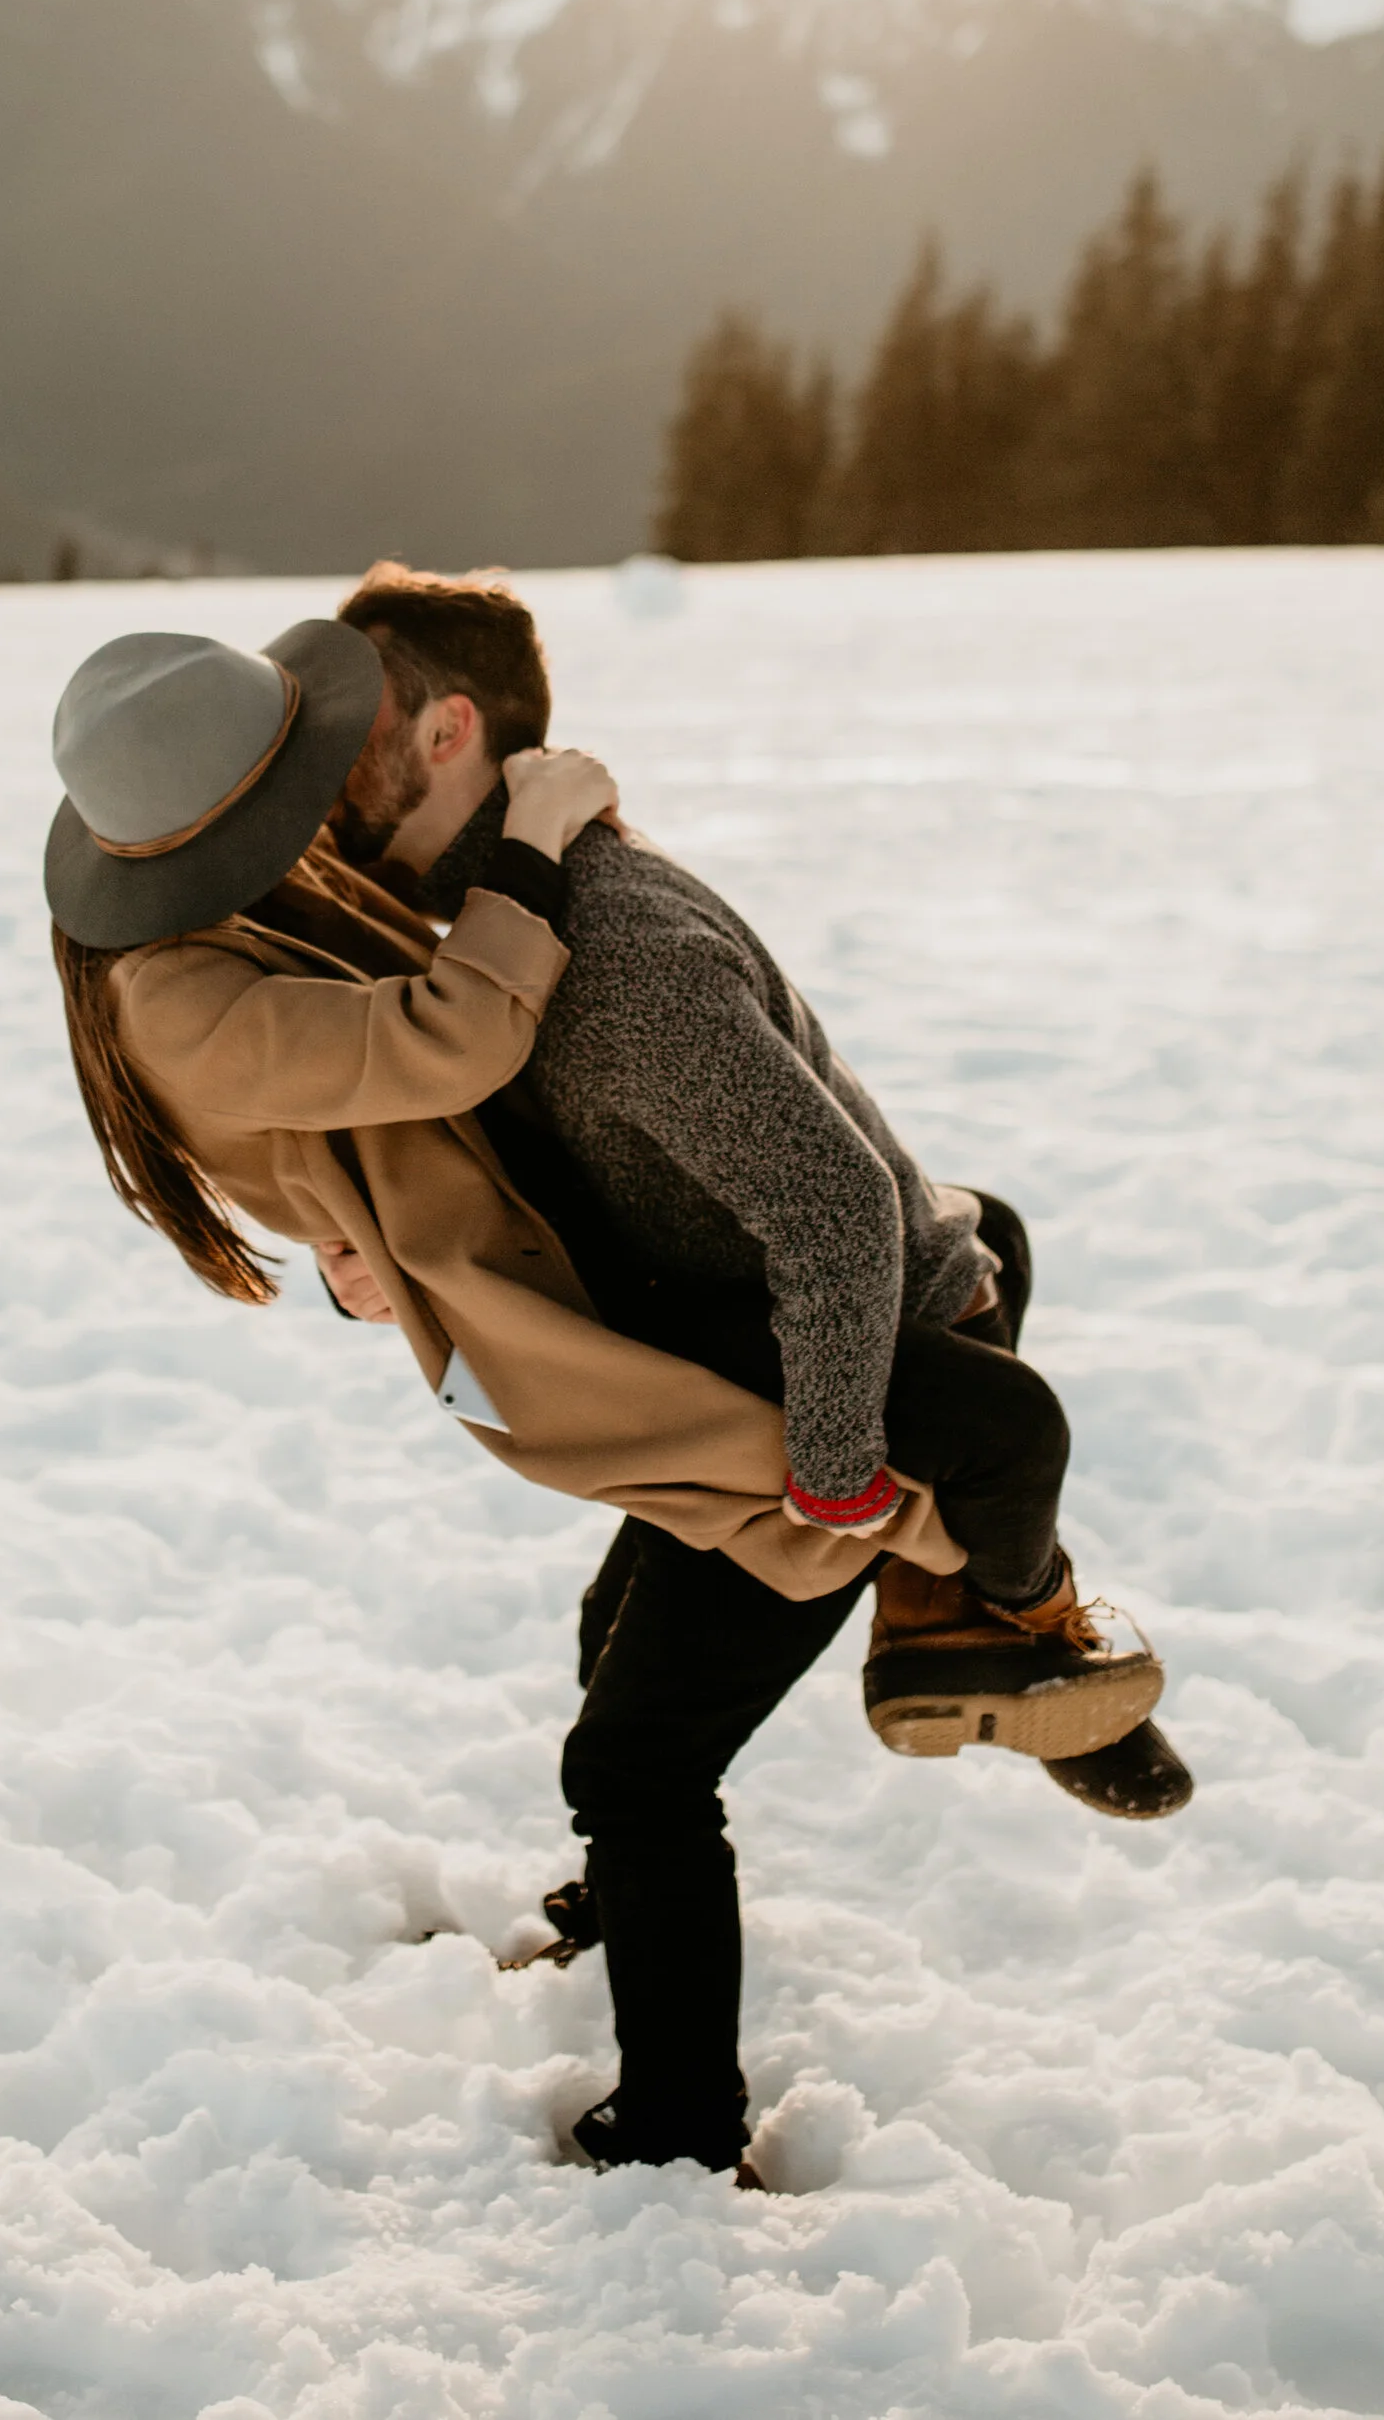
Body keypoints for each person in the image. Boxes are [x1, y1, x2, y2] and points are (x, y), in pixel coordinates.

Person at [327, 562, 1191, 2176]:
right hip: (755, 1348)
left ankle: (675, 2130)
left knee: (638, 1760)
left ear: (450, 729)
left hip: (841, 1363)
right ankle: (997, 1642)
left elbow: (833, 1211)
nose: (316, 747)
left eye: (347, 717)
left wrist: (837, 1475)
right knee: (615, 1638)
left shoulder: (614, 949)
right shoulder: (513, 914)